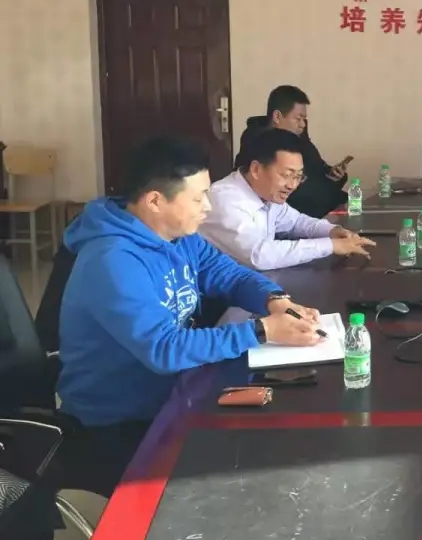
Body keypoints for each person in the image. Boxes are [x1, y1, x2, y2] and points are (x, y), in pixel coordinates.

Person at [56, 136, 324, 496]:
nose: (208, 207)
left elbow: (229, 274)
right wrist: (262, 330)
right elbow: (164, 349)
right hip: (118, 426)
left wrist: (274, 300)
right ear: (155, 201)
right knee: (245, 480)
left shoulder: (177, 235)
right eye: (198, 198)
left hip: (175, 396)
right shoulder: (112, 260)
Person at [202, 128, 375, 270]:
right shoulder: (226, 199)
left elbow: (296, 222)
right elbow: (259, 255)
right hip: (215, 296)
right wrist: (330, 246)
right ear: (256, 170)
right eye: (286, 175)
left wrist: (332, 231)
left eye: (298, 176)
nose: (292, 185)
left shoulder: (266, 193)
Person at [235, 85, 350, 218]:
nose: (303, 124)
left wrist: (333, 176)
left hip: (321, 206)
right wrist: (329, 187)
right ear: (277, 116)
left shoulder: (299, 138)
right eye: (298, 119)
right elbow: (296, 193)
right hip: (293, 215)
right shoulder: (258, 144)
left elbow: (317, 168)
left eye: (304, 119)